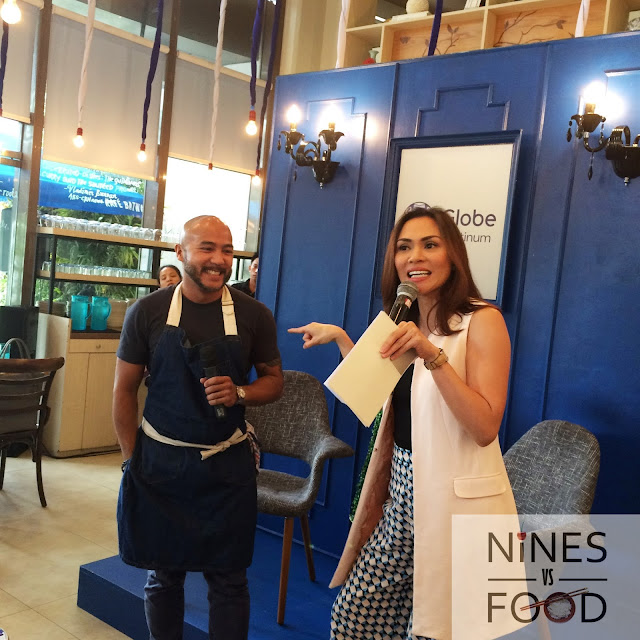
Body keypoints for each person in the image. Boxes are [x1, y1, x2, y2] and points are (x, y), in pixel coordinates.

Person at [289, 203, 521, 640]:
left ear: (453, 255)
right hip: (402, 495)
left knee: (434, 630)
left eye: (430, 245)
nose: (415, 257)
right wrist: (343, 340)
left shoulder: (482, 320)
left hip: (456, 506)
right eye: (404, 247)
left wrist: (432, 355)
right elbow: (380, 397)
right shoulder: (404, 319)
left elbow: (485, 427)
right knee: (355, 617)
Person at [113, 215, 284, 640]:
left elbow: (274, 381)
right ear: (180, 252)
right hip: (161, 465)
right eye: (207, 248)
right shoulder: (147, 312)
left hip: (226, 467)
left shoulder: (254, 314)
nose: (219, 259)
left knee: (230, 581)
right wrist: (131, 460)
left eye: (227, 250)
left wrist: (240, 393)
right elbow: (124, 390)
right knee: (163, 577)